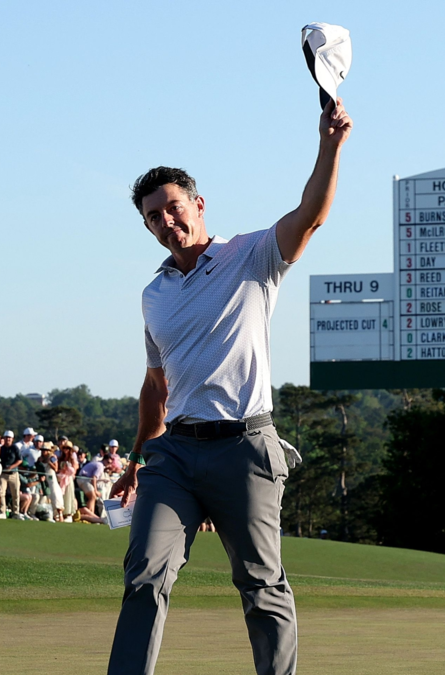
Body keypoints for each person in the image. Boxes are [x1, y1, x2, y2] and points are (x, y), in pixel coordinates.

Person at [106, 95, 352, 675]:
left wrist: (330, 144)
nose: (167, 223)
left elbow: (311, 215)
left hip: (246, 448)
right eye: (153, 218)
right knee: (144, 570)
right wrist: (138, 455)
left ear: (198, 204)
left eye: (172, 209)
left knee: (261, 585)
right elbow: (155, 386)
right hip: (175, 454)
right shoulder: (154, 294)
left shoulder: (251, 257)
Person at [0, 430, 24, 518]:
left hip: (13, 473)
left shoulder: (15, 448)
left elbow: (20, 460)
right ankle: (2, 511)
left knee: (16, 493)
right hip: (3, 474)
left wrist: (12, 466)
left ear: (12, 439)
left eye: (9, 438)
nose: (7, 439)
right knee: (1, 492)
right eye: (6, 437)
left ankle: (16, 512)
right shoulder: (1, 448)